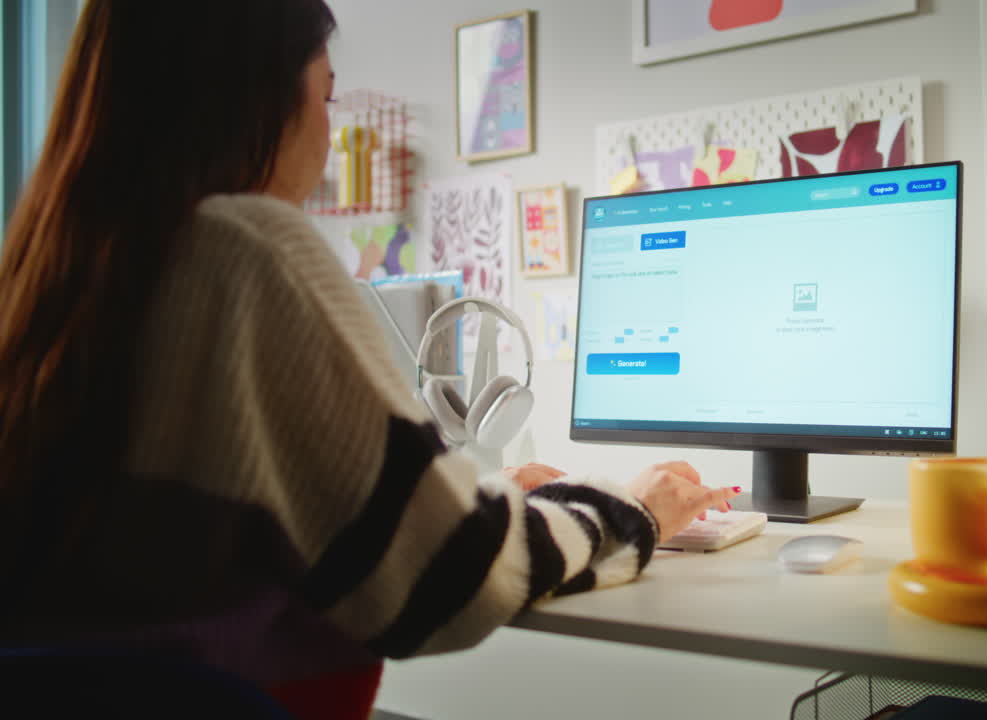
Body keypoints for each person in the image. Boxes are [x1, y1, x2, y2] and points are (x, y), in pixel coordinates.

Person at [0, 3, 738, 719]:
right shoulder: (247, 251)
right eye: (325, 94)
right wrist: (631, 510)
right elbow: (450, 582)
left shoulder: (47, 270)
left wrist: (471, 498)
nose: (327, 132)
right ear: (255, 92)